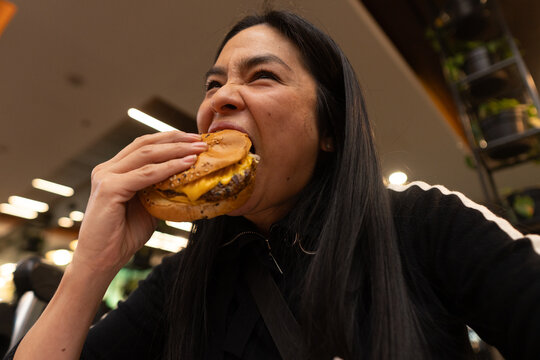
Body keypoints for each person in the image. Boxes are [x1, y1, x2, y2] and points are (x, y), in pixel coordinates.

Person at [5, 9, 540, 360]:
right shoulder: (182, 281)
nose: (219, 99)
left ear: (330, 129)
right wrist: (91, 266)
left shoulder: (423, 223)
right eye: (213, 85)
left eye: (262, 77)